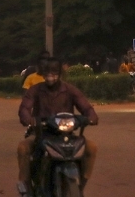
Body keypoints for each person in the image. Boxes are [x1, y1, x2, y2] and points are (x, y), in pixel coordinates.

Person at [17, 58, 98, 196]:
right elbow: (24, 108)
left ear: (60, 73)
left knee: (91, 148)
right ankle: (27, 187)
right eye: (47, 73)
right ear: (42, 73)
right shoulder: (35, 90)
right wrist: (29, 119)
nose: (50, 77)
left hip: (66, 135)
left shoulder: (70, 90)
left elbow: (87, 108)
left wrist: (90, 117)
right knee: (23, 148)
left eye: (54, 73)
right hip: (41, 133)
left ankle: (81, 186)